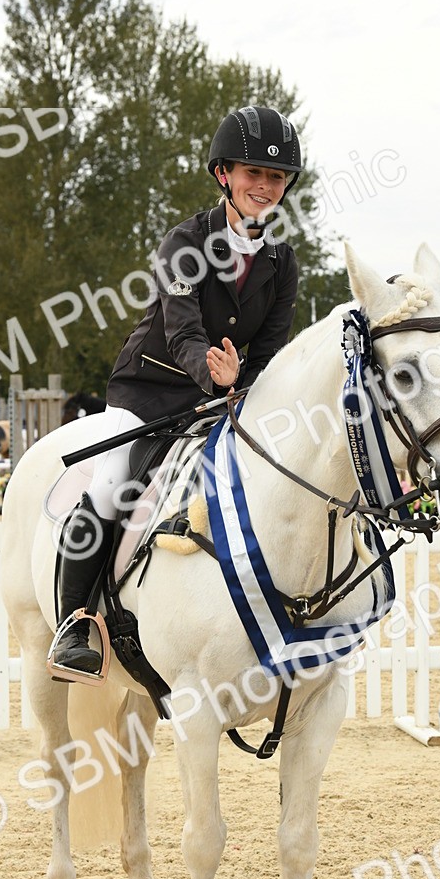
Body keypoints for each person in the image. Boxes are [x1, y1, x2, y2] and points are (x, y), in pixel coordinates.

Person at [51, 104, 302, 675]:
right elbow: (181, 328)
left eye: (275, 177)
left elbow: (270, 351)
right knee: (114, 485)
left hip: (224, 402)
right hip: (150, 392)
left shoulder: (282, 262)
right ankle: (73, 627)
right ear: (224, 176)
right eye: (252, 174)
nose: (264, 186)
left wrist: (245, 386)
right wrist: (211, 372)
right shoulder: (185, 241)